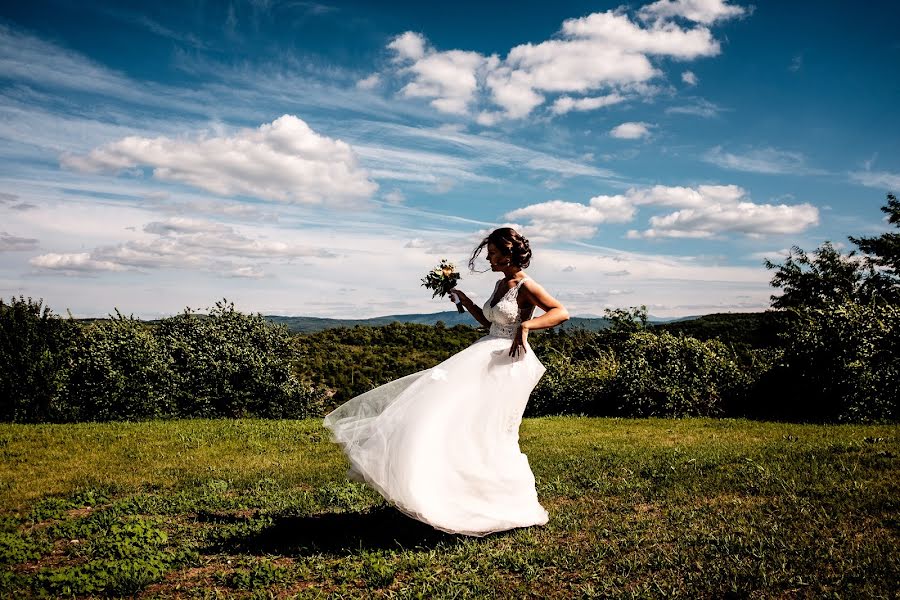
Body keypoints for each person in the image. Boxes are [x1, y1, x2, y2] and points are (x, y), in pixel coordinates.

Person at [323, 227, 570, 536]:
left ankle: (503, 501)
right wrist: (464, 299)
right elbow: (487, 321)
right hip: (486, 352)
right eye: (489, 254)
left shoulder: (526, 285)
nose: (489, 260)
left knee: (493, 429)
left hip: (508, 361)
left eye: (493, 254)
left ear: (508, 255)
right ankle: (453, 492)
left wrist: (527, 326)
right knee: (458, 418)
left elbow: (561, 312)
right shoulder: (499, 283)